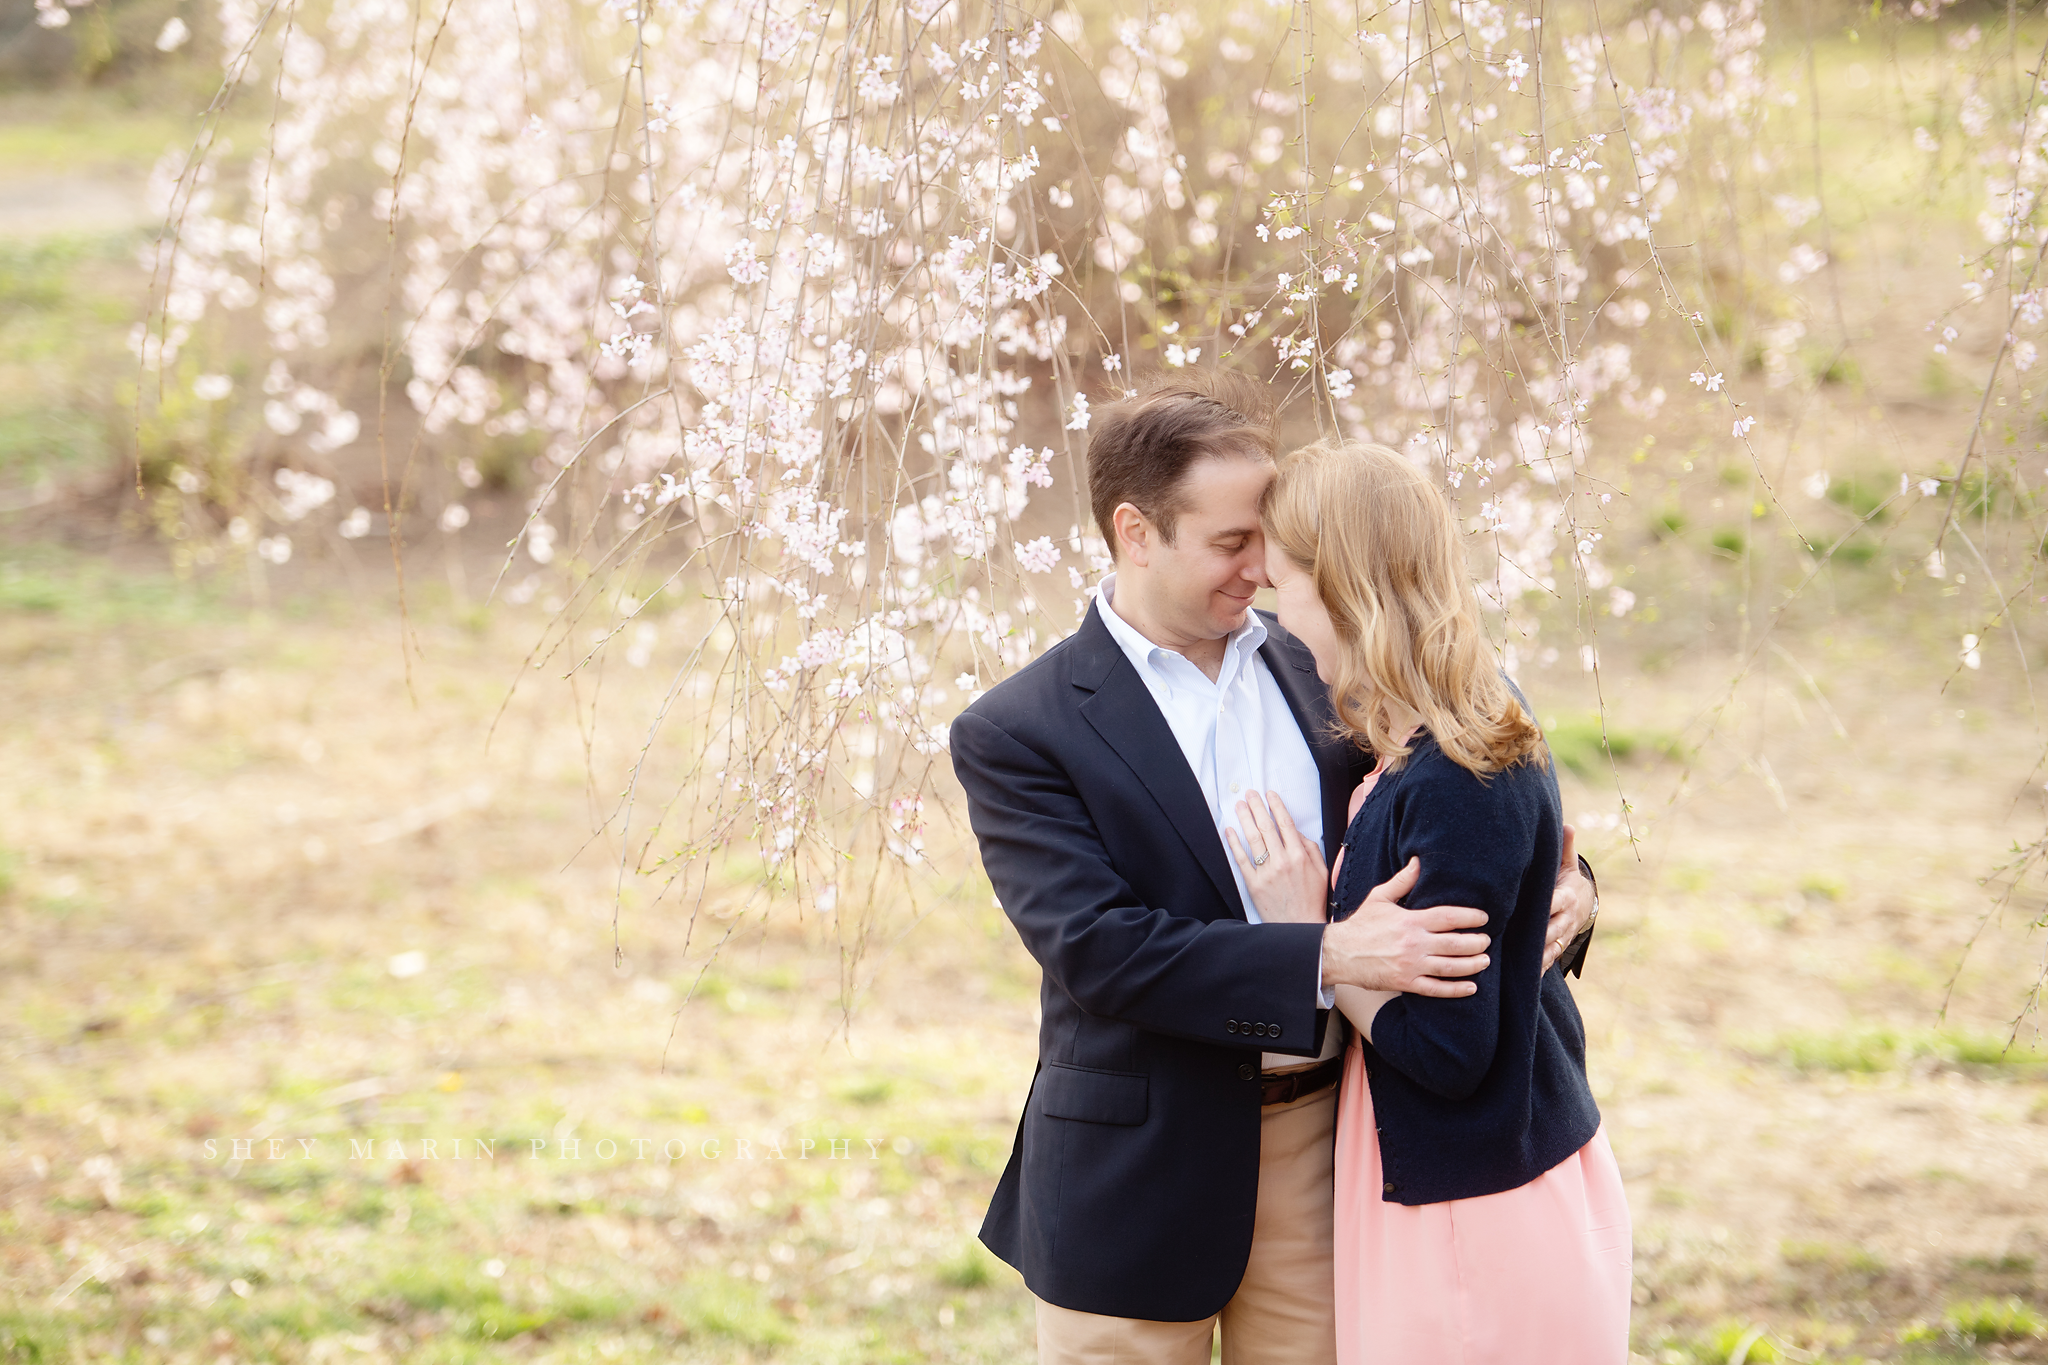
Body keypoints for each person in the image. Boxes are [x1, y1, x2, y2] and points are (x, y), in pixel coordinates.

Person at [948, 372, 1599, 1365]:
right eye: (1229, 543)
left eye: (1269, 540)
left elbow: (1453, 791)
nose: (1260, 570)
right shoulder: (1018, 730)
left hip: (1329, 1146)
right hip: (1134, 1168)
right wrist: (1322, 956)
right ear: (1134, 532)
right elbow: (1097, 949)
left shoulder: (1327, 654)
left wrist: (1570, 889)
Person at [1226, 437, 1631, 1365]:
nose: (1275, 612)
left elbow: (1450, 1052)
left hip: (1473, 1213)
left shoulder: (1456, 769)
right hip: (1460, 1182)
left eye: (1283, 583)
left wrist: (1313, 942)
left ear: (1344, 587)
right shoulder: (1435, 728)